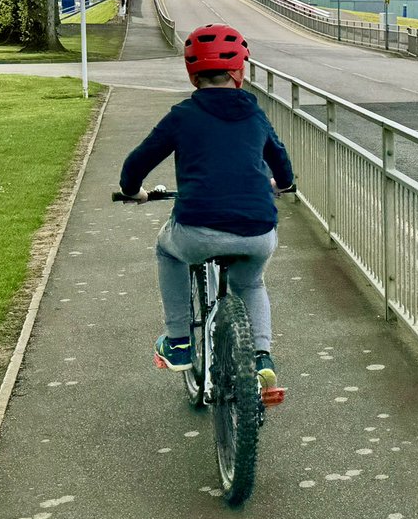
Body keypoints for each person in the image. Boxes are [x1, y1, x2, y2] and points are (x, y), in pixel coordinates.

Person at [118, 23, 294, 391]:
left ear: (193, 74)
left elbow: (137, 163)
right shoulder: (255, 114)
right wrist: (281, 185)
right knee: (251, 282)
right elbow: (282, 165)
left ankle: (179, 342)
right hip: (257, 231)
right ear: (239, 72)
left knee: (168, 251)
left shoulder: (183, 115)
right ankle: (262, 355)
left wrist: (133, 191)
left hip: (197, 229)